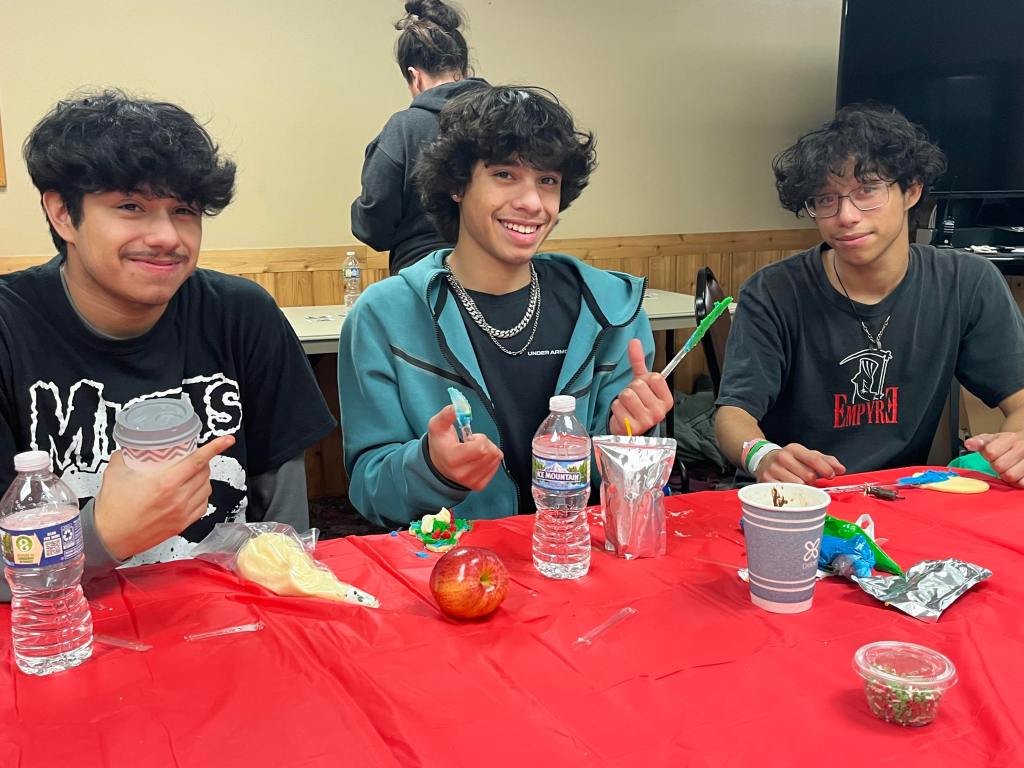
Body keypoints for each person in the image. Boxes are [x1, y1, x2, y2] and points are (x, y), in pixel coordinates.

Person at [0, 89, 336, 598]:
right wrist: (101, 537)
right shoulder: (9, 328)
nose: (166, 237)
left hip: (228, 618)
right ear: (63, 214)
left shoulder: (241, 314)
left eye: (184, 210)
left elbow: (283, 513)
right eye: (131, 206)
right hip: (64, 631)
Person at [339, 85, 674, 527]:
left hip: (574, 558)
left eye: (547, 181)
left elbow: (618, 490)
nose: (532, 203)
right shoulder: (386, 315)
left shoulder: (609, 309)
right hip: (450, 566)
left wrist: (627, 435)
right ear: (458, 185)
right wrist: (431, 469)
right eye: (505, 175)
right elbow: (370, 488)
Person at [715, 104, 1024, 486]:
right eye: (825, 199)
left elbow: (1020, 398)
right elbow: (733, 414)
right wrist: (763, 455)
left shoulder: (967, 281)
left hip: (902, 496)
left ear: (911, 191)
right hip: (795, 500)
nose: (846, 216)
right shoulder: (774, 291)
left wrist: (1017, 441)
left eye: (867, 190)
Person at [351, 0, 488, 275]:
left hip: (422, 281)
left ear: (415, 77)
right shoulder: (506, 119)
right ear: (462, 69)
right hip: (502, 276)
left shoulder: (404, 128)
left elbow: (373, 227)